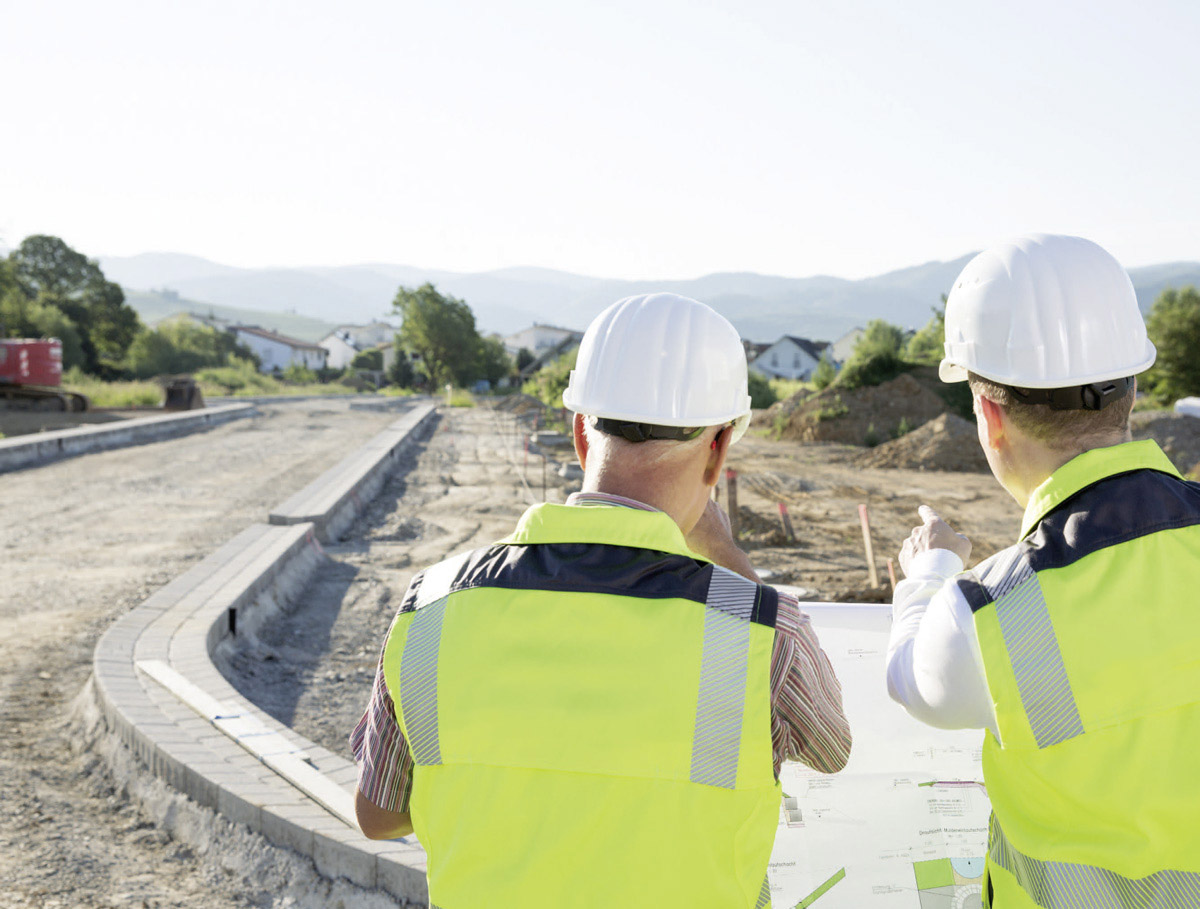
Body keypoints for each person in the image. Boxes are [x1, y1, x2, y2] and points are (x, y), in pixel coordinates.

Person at [351, 292, 851, 908]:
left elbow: (377, 815)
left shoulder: (429, 607)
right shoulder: (761, 630)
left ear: (580, 434)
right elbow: (832, 750)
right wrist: (733, 563)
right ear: (719, 448)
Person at [886, 234, 1200, 907]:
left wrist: (930, 570)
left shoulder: (988, 613)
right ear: (1133, 387)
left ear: (989, 417)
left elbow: (912, 682)